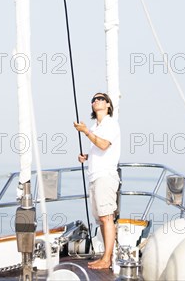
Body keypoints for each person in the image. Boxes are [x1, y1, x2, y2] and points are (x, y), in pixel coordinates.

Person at [73, 92, 120, 270]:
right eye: (93, 99)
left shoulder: (110, 124)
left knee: (106, 217)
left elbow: (103, 145)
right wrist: (86, 156)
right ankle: (105, 256)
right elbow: (98, 149)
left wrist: (86, 132)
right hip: (95, 176)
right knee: (101, 219)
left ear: (108, 104)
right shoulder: (96, 127)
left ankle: (107, 259)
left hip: (105, 176)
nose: (96, 101)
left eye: (100, 98)